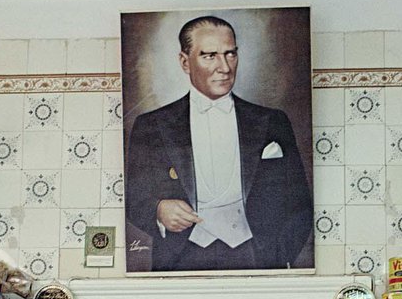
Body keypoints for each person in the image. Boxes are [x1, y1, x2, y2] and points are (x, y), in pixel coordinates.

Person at [125, 14, 313, 271]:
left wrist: (278, 256)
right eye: (210, 56)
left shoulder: (273, 121)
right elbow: (133, 198)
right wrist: (158, 209)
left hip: (257, 259)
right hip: (180, 259)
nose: (224, 67)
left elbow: (299, 203)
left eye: (230, 54)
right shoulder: (151, 125)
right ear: (184, 62)